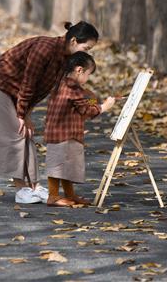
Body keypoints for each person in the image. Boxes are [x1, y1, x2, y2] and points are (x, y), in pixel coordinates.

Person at [0, 21, 99, 204]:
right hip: (0, 85)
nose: (86, 53)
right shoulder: (44, 49)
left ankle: (33, 187)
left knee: (26, 133)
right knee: (18, 133)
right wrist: (22, 115)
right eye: (86, 47)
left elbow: (43, 88)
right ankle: (22, 190)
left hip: (17, 92)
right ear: (74, 40)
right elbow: (29, 83)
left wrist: (27, 112)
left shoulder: (64, 57)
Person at [44, 51, 115, 206]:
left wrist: (92, 98)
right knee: (57, 165)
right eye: (88, 74)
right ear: (79, 70)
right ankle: (53, 196)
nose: (88, 79)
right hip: (63, 133)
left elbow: (86, 100)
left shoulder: (64, 83)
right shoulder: (73, 89)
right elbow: (86, 110)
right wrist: (104, 107)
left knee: (67, 165)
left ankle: (70, 194)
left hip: (64, 132)